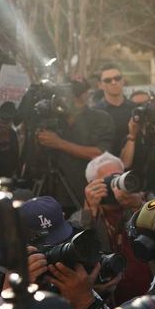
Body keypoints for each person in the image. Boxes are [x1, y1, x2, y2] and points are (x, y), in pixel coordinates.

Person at [71, 153, 152, 305]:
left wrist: (138, 206)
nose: (117, 185)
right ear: (91, 186)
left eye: (119, 177)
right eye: (109, 180)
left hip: (152, 295)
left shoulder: (144, 201)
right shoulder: (81, 218)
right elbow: (80, 252)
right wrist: (90, 212)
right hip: (113, 302)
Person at [32, 81, 113, 212]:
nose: (62, 102)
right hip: (52, 192)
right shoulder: (53, 120)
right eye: (59, 98)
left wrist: (59, 143)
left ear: (82, 97)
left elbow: (100, 153)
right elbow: (37, 159)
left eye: (66, 97)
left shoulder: (100, 118)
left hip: (86, 193)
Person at [93, 64, 133, 155]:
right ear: (100, 85)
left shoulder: (135, 109)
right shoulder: (94, 113)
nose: (113, 82)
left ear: (123, 81)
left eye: (117, 78)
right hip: (107, 161)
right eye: (107, 80)